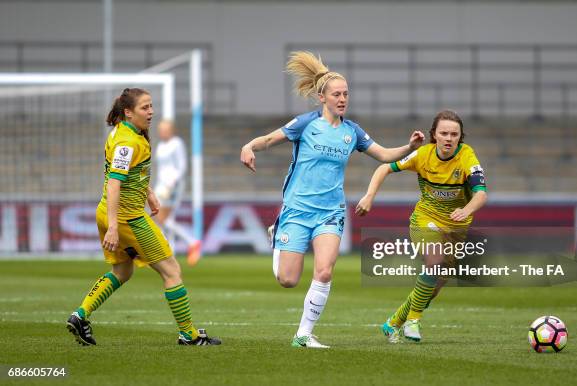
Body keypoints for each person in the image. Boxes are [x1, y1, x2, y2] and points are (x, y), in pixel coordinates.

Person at [240, 51, 425, 348]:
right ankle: (278, 236)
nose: (342, 99)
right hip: (297, 210)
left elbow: (384, 155)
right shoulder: (305, 124)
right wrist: (249, 146)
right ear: (322, 97)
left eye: (346, 94)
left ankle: (303, 334)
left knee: (325, 271)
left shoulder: (353, 132)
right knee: (287, 280)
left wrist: (410, 146)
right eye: (336, 94)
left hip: (330, 212)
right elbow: (268, 140)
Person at [66, 88, 220, 347]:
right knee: (172, 271)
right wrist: (114, 227)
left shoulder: (122, 132)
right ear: (128, 112)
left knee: (122, 272)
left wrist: (148, 192)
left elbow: (126, 174)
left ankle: (80, 315)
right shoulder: (128, 142)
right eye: (145, 108)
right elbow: (114, 183)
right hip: (128, 219)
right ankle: (189, 335)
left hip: (107, 211)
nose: (151, 112)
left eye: (151, 106)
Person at [355, 109, 488, 343]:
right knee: (434, 261)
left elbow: (481, 194)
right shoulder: (422, 155)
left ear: (460, 137)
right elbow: (384, 167)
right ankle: (413, 322)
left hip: (456, 228)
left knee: (433, 287)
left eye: (454, 134)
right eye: (444, 133)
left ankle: (393, 322)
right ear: (434, 135)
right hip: (425, 219)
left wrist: (466, 210)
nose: (449, 138)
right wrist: (369, 196)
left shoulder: (467, 157)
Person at [153, 119, 202, 266]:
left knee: (160, 218)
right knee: (163, 220)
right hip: (161, 186)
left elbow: (182, 166)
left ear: (171, 130)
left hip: (172, 186)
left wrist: (172, 183)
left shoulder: (177, 143)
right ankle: (171, 250)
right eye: (160, 129)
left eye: (165, 129)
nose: (162, 132)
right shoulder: (161, 146)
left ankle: (191, 242)